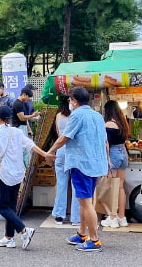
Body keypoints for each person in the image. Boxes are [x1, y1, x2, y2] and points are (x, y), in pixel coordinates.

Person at [47, 86, 108, 252]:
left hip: (81, 164)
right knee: (84, 201)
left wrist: (49, 152)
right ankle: (82, 233)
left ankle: (94, 240)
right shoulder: (97, 116)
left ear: (74, 101)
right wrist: (107, 161)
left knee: (86, 202)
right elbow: (104, 141)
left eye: (70, 100)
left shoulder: (77, 115)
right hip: (96, 164)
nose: (69, 103)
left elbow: (63, 138)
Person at [0, 105, 54, 250]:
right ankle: (9, 238)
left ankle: (24, 230)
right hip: (18, 173)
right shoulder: (17, 132)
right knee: (11, 206)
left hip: (5, 174)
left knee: (2, 206)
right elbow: (30, 145)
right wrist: (45, 154)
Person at [100, 100, 130, 228]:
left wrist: (107, 159)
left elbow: (107, 143)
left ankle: (112, 218)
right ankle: (122, 217)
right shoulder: (122, 123)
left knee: (112, 186)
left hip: (113, 153)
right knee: (120, 186)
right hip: (123, 152)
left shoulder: (108, 124)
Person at [51, 97, 81, 226]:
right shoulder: (76, 116)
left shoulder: (58, 116)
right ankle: (75, 218)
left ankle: (59, 215)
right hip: (74, 151)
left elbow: (58, 134)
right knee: (75, 185)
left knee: (61, 184)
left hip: (61, 151)